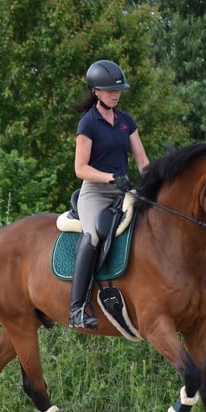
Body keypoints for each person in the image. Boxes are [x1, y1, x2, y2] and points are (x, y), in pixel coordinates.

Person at [68, 59, 150, 330]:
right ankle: (77, 308)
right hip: (95, 193)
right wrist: (111, 177)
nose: (115, 94)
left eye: (118, 90)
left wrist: (153, 182)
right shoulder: (88, 124)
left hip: (124, 191)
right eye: (109, 90)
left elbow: (141, 160)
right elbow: (81, 168)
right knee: (92, 237)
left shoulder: (126, 121)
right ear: (96, 92)